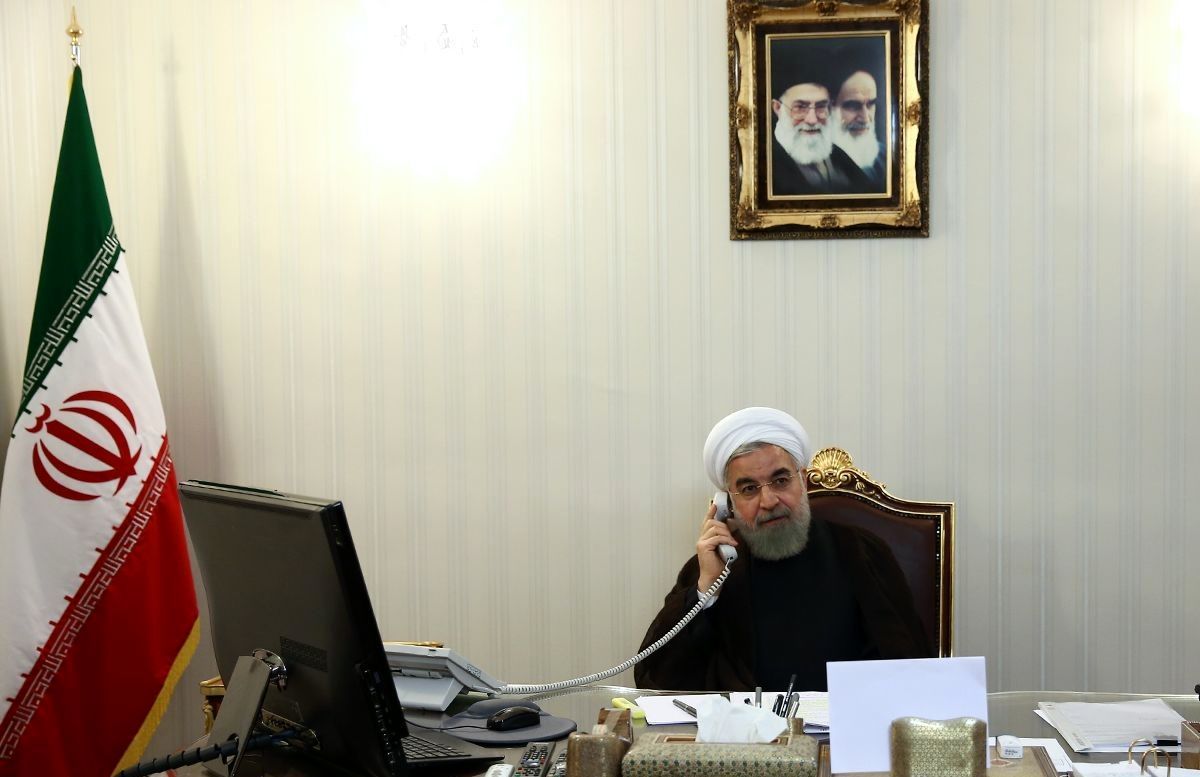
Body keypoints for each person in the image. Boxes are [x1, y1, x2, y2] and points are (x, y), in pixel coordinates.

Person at [634, 407, 932, 692]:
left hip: (842, 721)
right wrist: (705, 592)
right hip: (746, 727)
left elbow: (909, 667)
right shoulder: (715, 567)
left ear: (803, 481)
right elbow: (655, 681)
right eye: (749, 489)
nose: (769, 501)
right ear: (728, 504)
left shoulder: (862, 552)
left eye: (780, 480)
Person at [771, 77, 872, 196]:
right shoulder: (767, 164)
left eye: (821, 107)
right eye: (800, 107)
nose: (812, 120)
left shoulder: (836, 154)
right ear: (778, 108)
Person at [832, 69, 886, 190]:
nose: (865, 118)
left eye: (870, 104)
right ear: (831, 107)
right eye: (853, 106)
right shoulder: (817, 166)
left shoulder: (884, 157)